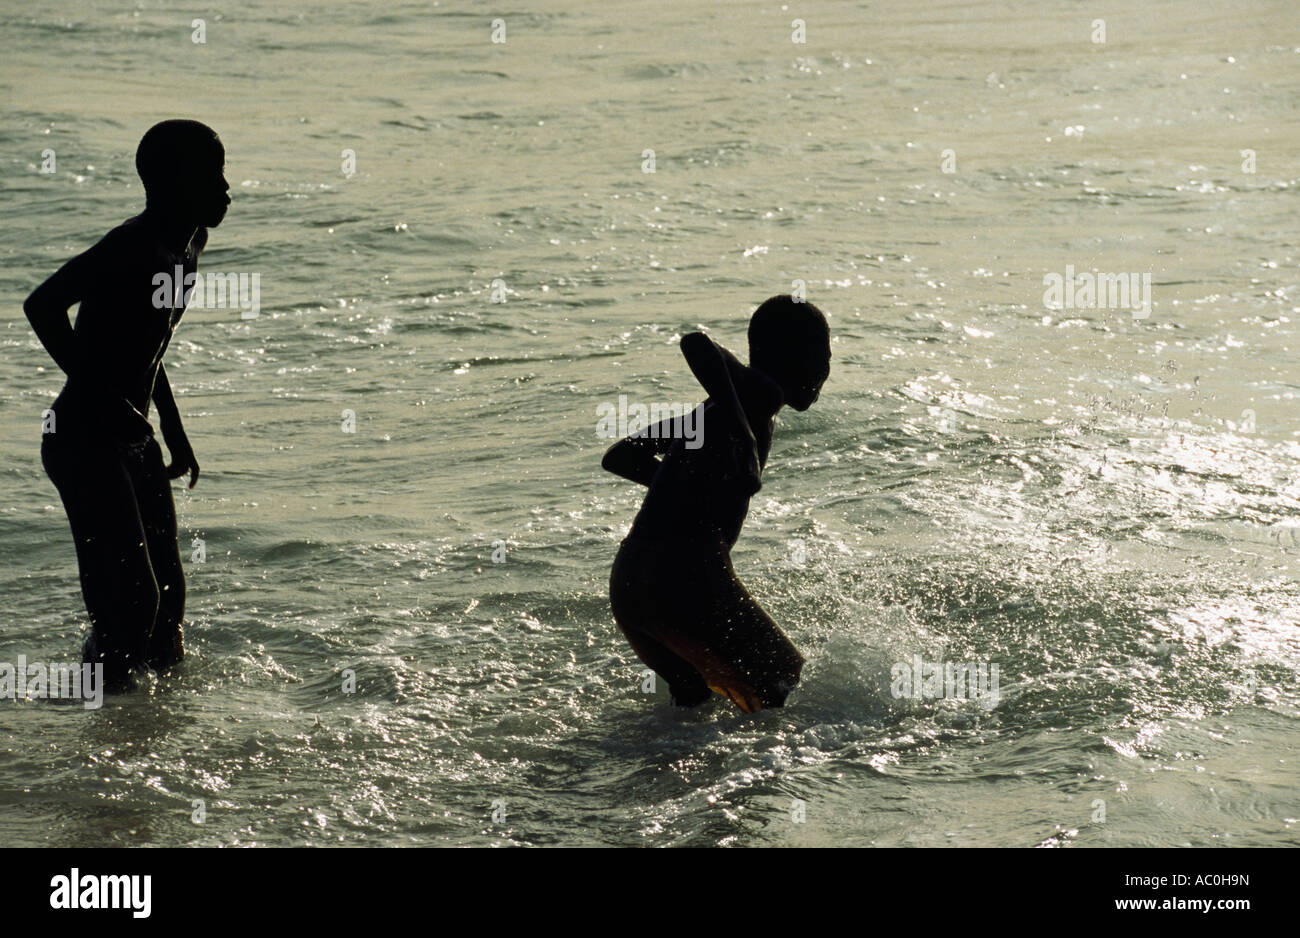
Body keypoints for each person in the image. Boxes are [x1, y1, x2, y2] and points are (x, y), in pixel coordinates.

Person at [24, 120, 230, 692]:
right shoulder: (131, 246)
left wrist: (173, 424)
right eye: (211, 175)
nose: (226, 188)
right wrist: (102, 395)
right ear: (168, 183)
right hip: (81, 438)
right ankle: (95, 722)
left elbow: (149, 342)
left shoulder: (191, 242)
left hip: (132, 434)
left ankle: (148, 734)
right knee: (132, 603)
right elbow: (41, 304)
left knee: (168, 606)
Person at [603, 295, 831, 712]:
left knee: (694, 706)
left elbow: (621, 456)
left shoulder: (708, 415)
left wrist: (687, 493)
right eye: (825, 356)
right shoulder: (759, 395)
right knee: (788, 690)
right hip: (687, 580)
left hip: (631, 583)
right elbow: (695, 342)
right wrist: (745, 434)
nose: (826, 373)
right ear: (805, 358)